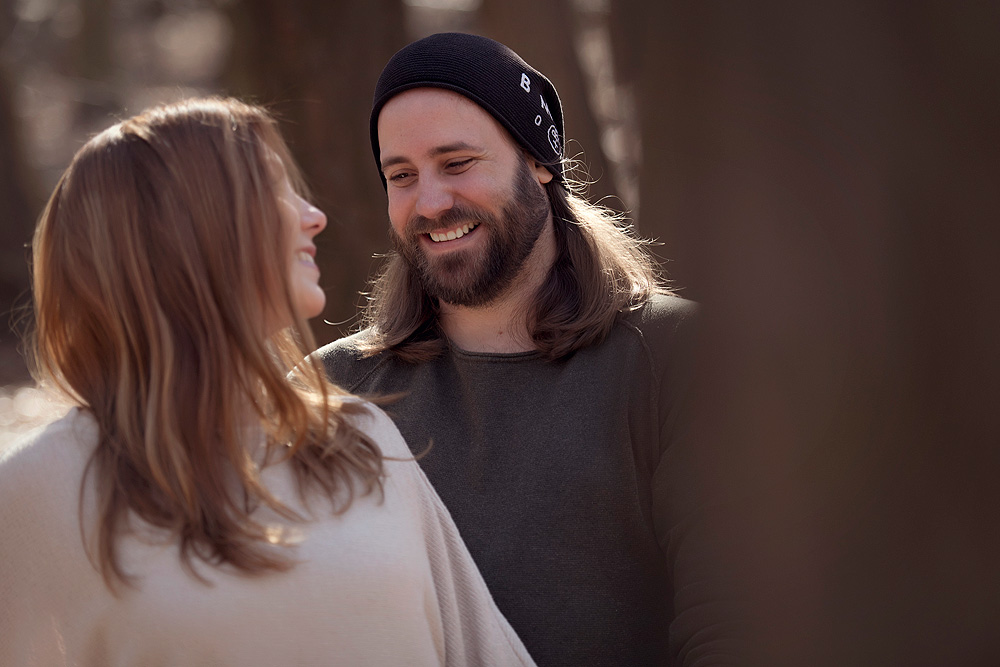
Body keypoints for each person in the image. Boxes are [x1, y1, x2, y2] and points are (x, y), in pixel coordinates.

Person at [0, 97, 536, 667]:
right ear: (186, 232)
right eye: (273, 191)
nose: (314, 216)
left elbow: (480, 651)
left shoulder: (358, 438)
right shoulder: (39, 490)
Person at [318, 33, 733, 666]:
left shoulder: (677, 359)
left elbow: (735, 625)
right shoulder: (332, 391)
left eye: (457, 163)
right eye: (401, 176)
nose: (430, 202)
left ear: (539, 161)